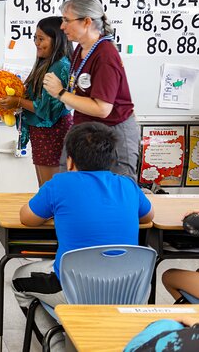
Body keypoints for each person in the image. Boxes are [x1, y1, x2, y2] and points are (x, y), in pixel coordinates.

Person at [11, 122, 154, 348]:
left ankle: (58, 344)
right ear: (111, 159)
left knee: (19, 278)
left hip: (75, 291)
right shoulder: (127, 185)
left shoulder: (59, 184)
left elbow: (27, 218)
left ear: (70, 160)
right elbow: (148, 216)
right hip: (130, 292)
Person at [42, 0, 140, 180]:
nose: (62, 26)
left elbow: (102, 108)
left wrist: (60, 92)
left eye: (66, 20)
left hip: (113, 131)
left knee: (119, 188)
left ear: (86, 22)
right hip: (85, 128)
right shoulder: (81, 48)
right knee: (67, 180)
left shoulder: (105, 55)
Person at [0, 16, 73, 186]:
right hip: (41, 133)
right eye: (35, 38)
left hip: (53, 133)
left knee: (51, 189)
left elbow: (47, 110)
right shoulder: (46, 63)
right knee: (45, 187)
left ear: (57, 40)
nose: (36, 43)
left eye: (41, 39)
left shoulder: (61, 66)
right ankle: (48, 213)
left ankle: (53, 214)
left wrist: (17, 101)